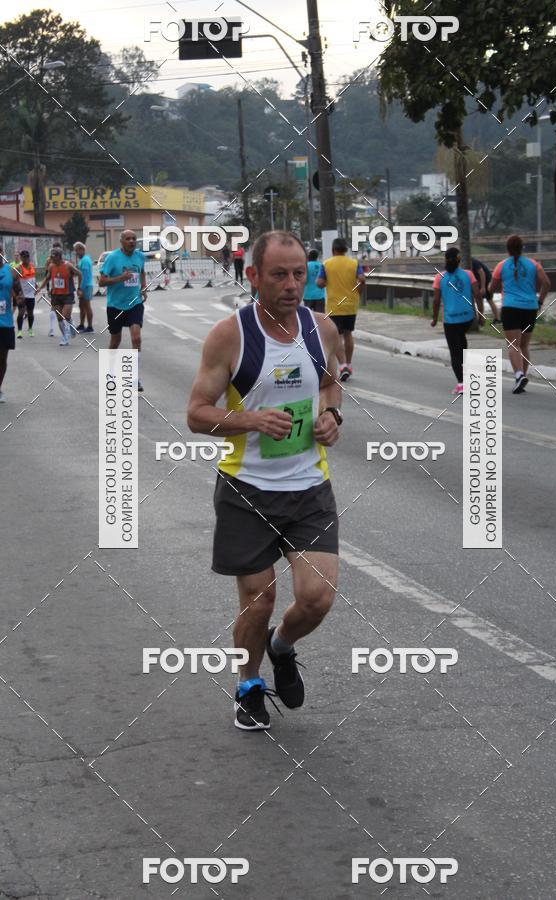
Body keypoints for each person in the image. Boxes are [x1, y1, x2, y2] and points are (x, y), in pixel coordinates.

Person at [187, 230, 342, 731]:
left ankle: (282, 647)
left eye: (300, 273)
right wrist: (250, 420)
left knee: (317, 598)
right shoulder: (230, 335)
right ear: (253, 276)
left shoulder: (322, 330)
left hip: (308, 488)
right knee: (260, 599)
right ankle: (249, 683)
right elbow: (195, 414)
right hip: (246, 489)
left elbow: (331, 385)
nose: (292, 284)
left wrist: (332, 418)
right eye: (279, 274)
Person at [490, 234, 550, 394]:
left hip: (510, 308)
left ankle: (519, 375)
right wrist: (540, 301)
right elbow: (547, 283)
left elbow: (492, 287)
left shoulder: (501, 265)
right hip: (530, 308)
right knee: (524, 345)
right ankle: (522, 378)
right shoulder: (533, 264)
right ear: (522, 247)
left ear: (507, 249)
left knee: (513, 345)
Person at [98, 229, 147, 392]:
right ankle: (110, 372)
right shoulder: (112, 258)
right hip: (115, 305)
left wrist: (143, 287)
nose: (132, 241)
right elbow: (102, 282)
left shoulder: (140, 256)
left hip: (135, 303)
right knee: (115, 341)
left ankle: (135, 378)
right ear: (121, 241)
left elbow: (142, 271)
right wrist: (121, 278)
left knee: (137, 338)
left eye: (134, 238)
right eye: (128, 239)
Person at [431, 248, 483, 394]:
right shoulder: (469, 274)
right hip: (467, 318)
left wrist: (434, 319)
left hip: (450, 320)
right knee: (462, 343)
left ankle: (461, 383)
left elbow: (436, 301)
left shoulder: (439, 277)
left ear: (445, 260)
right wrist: (481, 315)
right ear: (459, 260)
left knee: (455, 352)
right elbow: (477, 294)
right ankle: (465, 376)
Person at [316, 237, 365, 381]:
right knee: (348, 334)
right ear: (346, 250)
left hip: (334, 306)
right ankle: (348, 364)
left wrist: (325, 282)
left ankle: (342, 365)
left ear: (333, 250)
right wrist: (358, 292)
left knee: (336, 336)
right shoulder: (354, 263)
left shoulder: (327, 264)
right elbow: (362, 279)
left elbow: (319, 283)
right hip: (351, 305)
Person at [38, 248, 81, 347]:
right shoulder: (51, 266)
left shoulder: (68, 265)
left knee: (64, 316)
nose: (51, 259)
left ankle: (67, 334)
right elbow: (47, 278)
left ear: (59, 256)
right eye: (51, 256)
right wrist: (40, 288)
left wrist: (79, 288)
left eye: (53, 257)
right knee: (59, 318)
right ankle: (67, 334)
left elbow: (80, 274)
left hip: (67, 294)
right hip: (56, 295)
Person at [0, 248, 22, 402]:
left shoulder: (12, 271)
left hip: (5, 321)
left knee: (2, 358)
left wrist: (20, 302)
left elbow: (18, 291)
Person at [471, 256, 501, 324]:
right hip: (479, 282)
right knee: (479, 299)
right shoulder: (468, 262)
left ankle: (498, 319)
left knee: (489, 299)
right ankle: (481, 318)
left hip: (486, 280)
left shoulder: (473, 262)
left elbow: (482, 273)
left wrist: (483, 287)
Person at [15, 250, 37, 338]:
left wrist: (36, 287)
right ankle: (19, 331)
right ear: (21, 258)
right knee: (21, 313)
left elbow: (33, 279)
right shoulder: (18, 268)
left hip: (31, 294)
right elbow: (15, 281)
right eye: (24, 257)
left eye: (27, 257)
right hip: (22, 295)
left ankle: (30, 329)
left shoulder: (32, 266)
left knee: (30, 313)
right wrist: (17, 293)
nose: (26, 259)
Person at [73, 242, 94, 333]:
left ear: (82, 249)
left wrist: (81, 288)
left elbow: (84, 276)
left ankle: (90, 327)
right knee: (81, 306)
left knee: (87, 306)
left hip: (86, 286)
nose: (76, 253)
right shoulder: (84, 259)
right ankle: (82, 325)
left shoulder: (85, 260)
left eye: (77, 250)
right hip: (84, 286)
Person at [303, 249, 325, 313]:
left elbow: (304, 280)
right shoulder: (322, 266)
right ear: (317, 257)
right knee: (320, 318)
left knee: (307, 317)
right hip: (320, 296)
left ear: (308, 256)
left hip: (308, 295)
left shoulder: (305, 266)